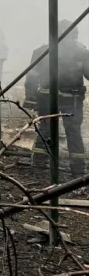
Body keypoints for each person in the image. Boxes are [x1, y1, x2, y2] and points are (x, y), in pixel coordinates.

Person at [24, 21, 88, 176]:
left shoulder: (82, 53)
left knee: (71, 131)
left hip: (69, 98)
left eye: (74, 35)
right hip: (50, 98)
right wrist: (31, 98)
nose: (72, 39)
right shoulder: (42, 52)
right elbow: (32, 76)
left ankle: (77, 170)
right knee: (48, 130)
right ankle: (41, 166)